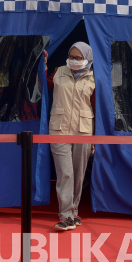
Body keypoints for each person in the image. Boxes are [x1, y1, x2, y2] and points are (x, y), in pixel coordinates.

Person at [44, 42, 95, 231]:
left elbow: (97, 107)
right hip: (59, 130)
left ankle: (74, 213)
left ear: (87, 58)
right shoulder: (58, 72)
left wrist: (95, 137)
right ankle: (65, 216)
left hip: (83, 131)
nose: (74, 61)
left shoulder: (94, 78)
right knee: (65, 174)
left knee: (79, 175)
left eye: (78, 58)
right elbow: (42, 85)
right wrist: (44, 66)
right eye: (71, 56)